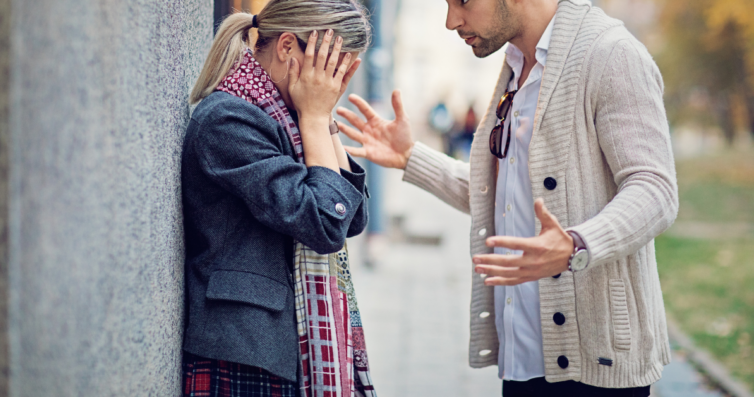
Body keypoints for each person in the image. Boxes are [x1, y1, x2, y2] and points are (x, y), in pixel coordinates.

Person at [336, 0, 678, 395]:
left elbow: (656, 188)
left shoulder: (611, 54)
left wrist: (576, 245)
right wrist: (412, 158)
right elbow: (504, 196)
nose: (451, 21)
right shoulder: (518, 66)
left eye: (461, 2)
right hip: (524, 358)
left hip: (594, 365)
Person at [180, 1, 376, 396]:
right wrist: (316, 118)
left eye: (342, 74)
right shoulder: (229, 120)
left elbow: (351, 216)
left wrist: (325, 119)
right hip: (245, 349)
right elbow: (324, 223)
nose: (334, 85)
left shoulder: (291, 116)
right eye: (331, 68)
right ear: (288, 47)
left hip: (281, 344)